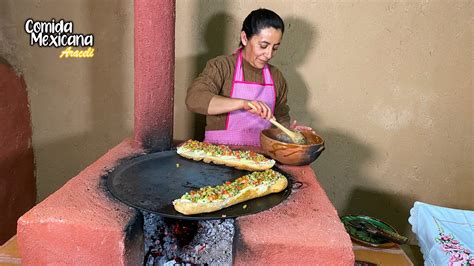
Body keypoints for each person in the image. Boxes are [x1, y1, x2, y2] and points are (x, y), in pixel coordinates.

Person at [186, 8, 310, 146]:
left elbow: (280, 117)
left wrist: (288, 133)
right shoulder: (222, 66)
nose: (269, 54)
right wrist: (243, 103)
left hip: (262, 157)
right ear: (245, 38)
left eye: (275, 48)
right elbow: (194, 99)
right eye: (263, 45)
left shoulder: (276, 77)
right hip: (218, 154)